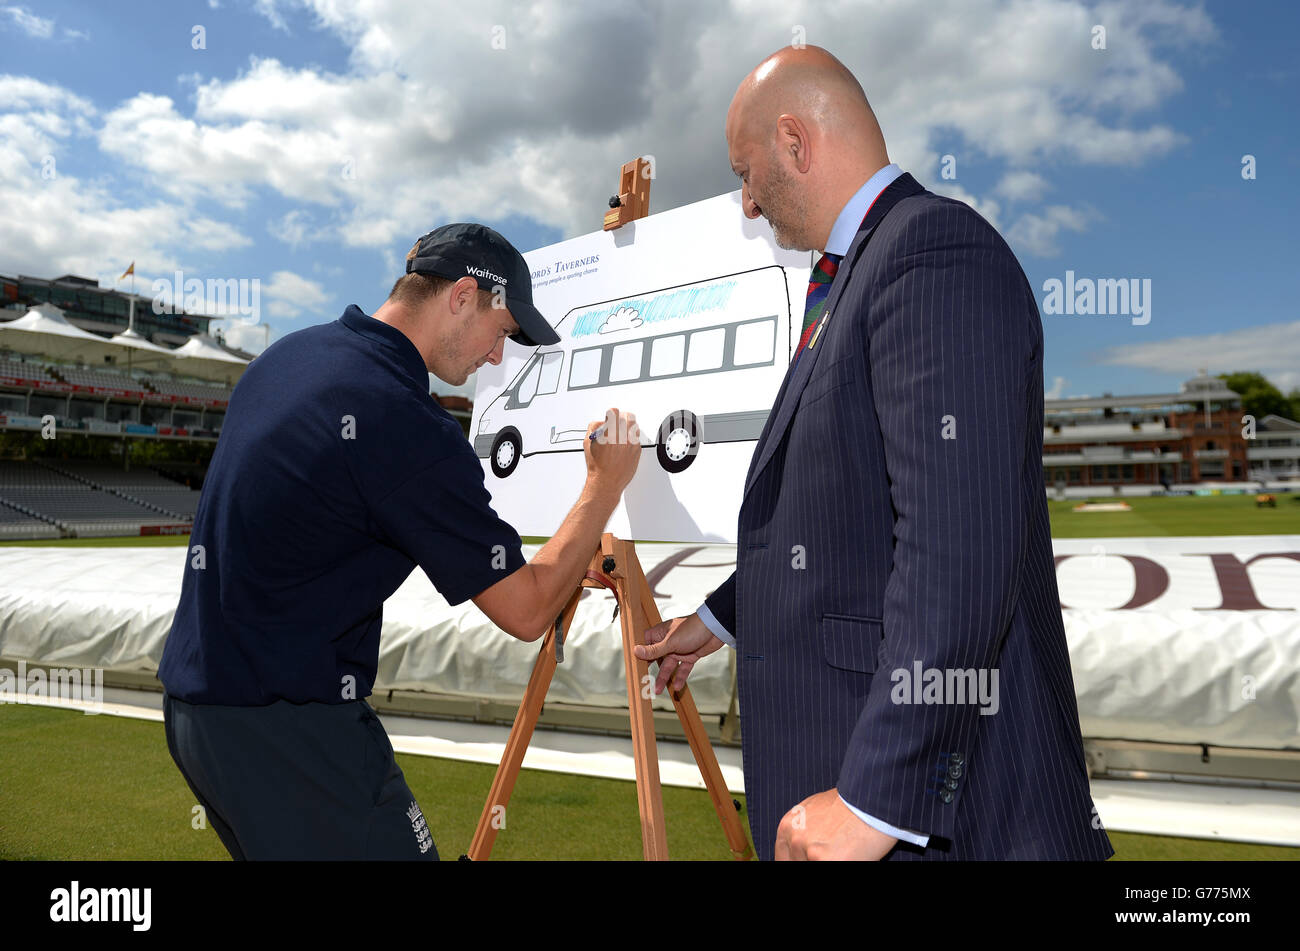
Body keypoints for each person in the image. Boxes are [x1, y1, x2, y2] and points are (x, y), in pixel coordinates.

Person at [635, 46, 1114, 862]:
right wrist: (718, 618)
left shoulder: (930, 253)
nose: (747, 203)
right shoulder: (857, 276)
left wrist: (878, 801)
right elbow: (844, 522)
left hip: (950, 819)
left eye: (746, 173)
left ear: (795, 141)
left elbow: (958, 544)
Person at [159, 223, 640, 860]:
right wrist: (603, 486)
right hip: (287, 726)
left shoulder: (291, 356)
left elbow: (317, 529)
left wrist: (568, 562)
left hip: (199, 711)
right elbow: (525, 611)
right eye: (502, 334)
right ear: (464, 297)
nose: (496, 359)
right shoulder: (400, 420)